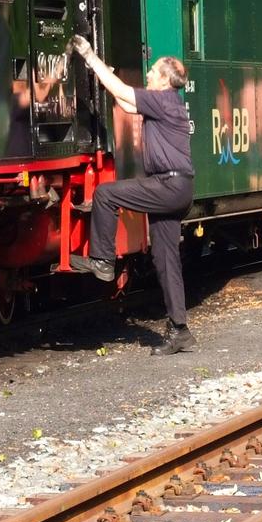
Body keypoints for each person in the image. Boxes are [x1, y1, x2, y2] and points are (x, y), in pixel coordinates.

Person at [68, 34, 196, 354]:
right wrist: (105, 76)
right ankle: (180, 331)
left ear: (166, 79)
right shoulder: (167, 104)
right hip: (178, 188)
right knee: (165, 260)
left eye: (153, 70)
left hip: (168, 186)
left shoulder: (162, 99)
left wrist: (90, 58)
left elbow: (124, 92)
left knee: (106, 195)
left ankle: (102, 261)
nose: (149, 73)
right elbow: (125, 102)